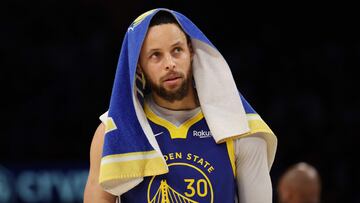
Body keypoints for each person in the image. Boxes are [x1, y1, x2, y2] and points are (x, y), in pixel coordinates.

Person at [84, 8, 277, 203]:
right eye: (155, 55)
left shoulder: (242, 127)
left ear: (191, 51)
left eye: (177, 50)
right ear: (139, 66)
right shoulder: (113, 131)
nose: (169, 63)